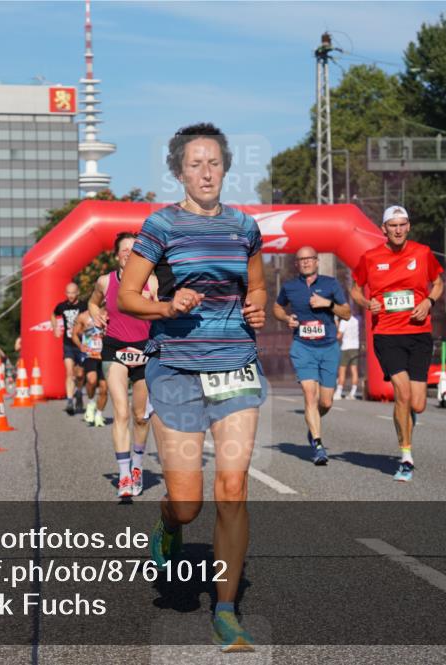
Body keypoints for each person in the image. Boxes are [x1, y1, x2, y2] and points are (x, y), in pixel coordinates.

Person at [119, 122, 265, 652]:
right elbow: (128, 298)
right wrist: (166, 306)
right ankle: (168, 527)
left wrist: (259, 303)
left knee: (233, 488)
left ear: (225, 167)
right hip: (176, 367)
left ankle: (226, 609)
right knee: (187, 504)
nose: (206, 172)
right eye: (195, 164)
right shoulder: (160, 226)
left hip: (235, 364)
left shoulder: (245, 227)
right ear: (179, 171)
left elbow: (255, 282)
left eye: (214, 163)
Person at [350, 205, 443, 482]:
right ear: (384, 229)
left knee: (418, 404)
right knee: (401, 394)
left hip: (418, 333)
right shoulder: (370, 257)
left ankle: (406, 425)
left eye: (403, 224)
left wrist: (429, 301)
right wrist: (368, 303)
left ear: (409, 227)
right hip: (387, 335)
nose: (398, 229)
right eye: (393, 225)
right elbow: (355, 289)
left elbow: (437, 283)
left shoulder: (422, 252)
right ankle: (405, 456)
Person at [88, 233, 158, 498]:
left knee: (141, 416)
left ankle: (138, 466)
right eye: (124, 249)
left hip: (145, 350)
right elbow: (93, 302)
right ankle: (124, 474)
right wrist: (94, 311)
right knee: (122, 413)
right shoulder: (105, 281)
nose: (129, 253)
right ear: (117, 254)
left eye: (134, 249)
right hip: (115, 348)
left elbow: (165, 311)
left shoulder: (151, 281)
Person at [272, 246, 351, 465]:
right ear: (296, 264)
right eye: (301, 260)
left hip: (328, 347)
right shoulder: (290, 287)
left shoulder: (330, 284)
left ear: (317, 261)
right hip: (302, 347)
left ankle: (313, 422)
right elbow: (276, 308)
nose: (306, 262)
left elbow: (346, 312)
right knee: (309, 394)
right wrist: (286, 318)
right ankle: (317, 444)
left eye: (310, 259)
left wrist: (328, 304)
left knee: (325, 402)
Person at [51, 283, 87, 415]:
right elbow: (53, 315)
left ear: (78, 292)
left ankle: (78, 392)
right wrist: (55, 327)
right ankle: (70, 400)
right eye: (68, 293)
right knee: (69, 372)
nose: (70, 295)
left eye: (73, 293)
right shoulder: (62, 306)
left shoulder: (84, 305)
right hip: (68, 344)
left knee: (80, 374)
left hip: (82, 344)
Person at [71, 306, 108, 427]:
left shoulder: (110, 314)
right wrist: (80, 346)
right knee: (92, 380)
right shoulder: (84, 316)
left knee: (104, 388)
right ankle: (91, 403)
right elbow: (74, 334)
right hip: (90, 354)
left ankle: (99, 415)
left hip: (106, 354)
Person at [335, 311, 361, 400]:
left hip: (346, 347)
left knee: (342, 370)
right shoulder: (356, 320)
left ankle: (338, 392)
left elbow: (339, 335)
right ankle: (353, 393)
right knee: (354, 370)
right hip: (355, 347)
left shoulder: (343, 321)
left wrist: (336, 323)